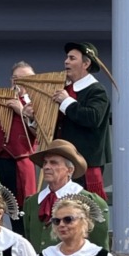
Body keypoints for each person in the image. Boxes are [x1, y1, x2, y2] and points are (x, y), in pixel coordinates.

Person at [20, 140, 110, 253]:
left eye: (53, 163)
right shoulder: (32, 202)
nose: (46, 167)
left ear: (69, 170)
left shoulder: (89, 201)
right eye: (45, 163)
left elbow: (100, 249)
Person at [51, 41, 112, 199]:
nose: (66, 61)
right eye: (66, 58)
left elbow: (93, 118)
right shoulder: (65, 90)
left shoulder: (97, 90)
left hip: (84, 162)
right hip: (63, 159)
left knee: (84, 207)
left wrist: (67, 102)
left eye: (72, 58)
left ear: (86, 63)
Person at [0, 61, 38, 203]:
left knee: (21, 210)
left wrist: (21, 111)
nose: (18, 82)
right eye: (15, 78)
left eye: (24, 79)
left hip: (20, 161)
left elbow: (41, 134)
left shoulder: (38, 102)